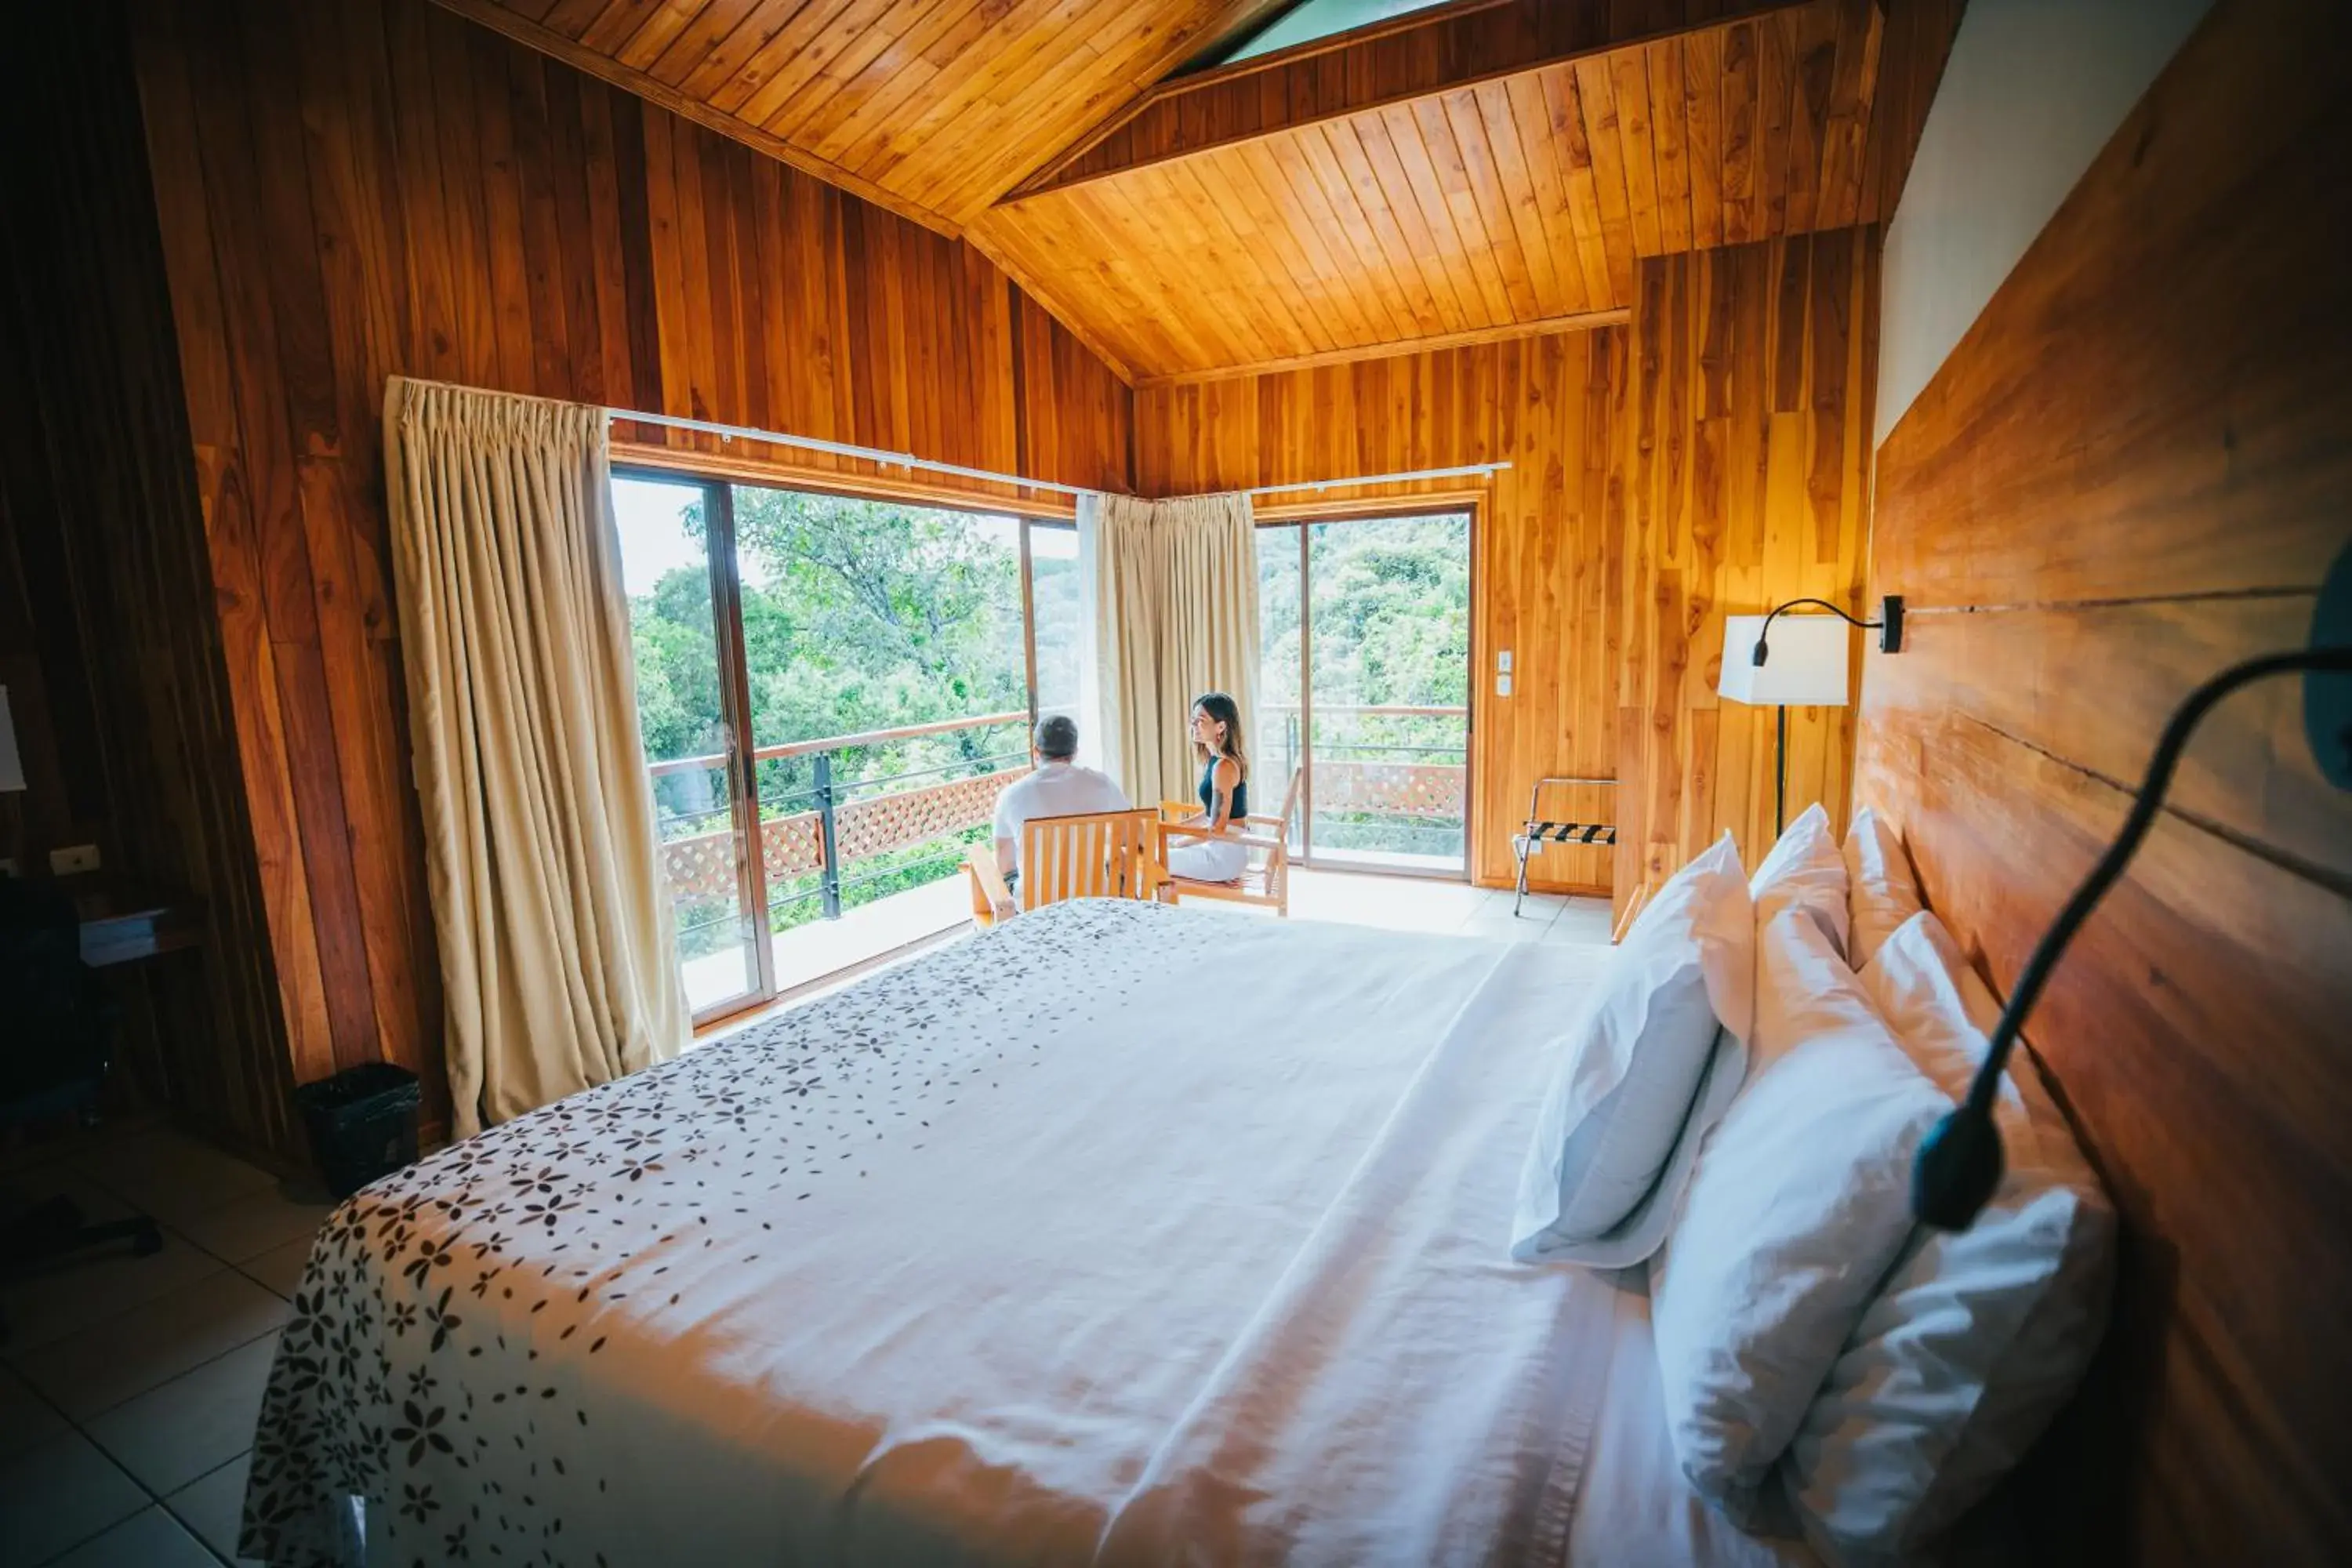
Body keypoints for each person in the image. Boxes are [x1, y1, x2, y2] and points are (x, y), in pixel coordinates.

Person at [990, 714, 1131, 891]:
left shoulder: (1010, 796)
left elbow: (1004, 860)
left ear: (1035, 752)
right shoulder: (1102, 784)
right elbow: (1130, 835)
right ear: (1074, 753)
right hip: (1095, 902)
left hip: (1038, 910)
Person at [1164, 691, 1250, 883]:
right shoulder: (1216, 761)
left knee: (1151, 858)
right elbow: (1210, 814)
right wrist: (1174, 830)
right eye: (1193, 720)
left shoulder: (1224, 767)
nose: (1194, 725)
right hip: (1219, 847)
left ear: (1221, 726)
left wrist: (1179, 842)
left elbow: (1217, 829)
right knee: (1156, 850)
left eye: (1201, 720)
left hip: (1224, 856)